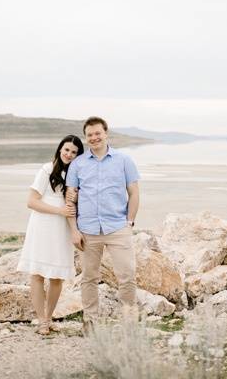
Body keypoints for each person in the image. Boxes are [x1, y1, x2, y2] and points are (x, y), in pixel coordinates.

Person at [65, 116, 140, 335]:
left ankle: (130, 323)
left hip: (118, 228)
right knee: (89, 277)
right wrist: (74, 230)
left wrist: (130, 221)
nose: (94, 138)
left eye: (98, 133)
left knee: (127, 276)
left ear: (106, 133)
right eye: (90, 135)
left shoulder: (124, 160)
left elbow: (134, 192)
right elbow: (70, 200)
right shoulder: (78, 164)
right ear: (86, 138)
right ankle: (90, 322)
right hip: (88, 231)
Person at [16, 135, 84, 335]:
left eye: (73, 152)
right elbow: (32, 201)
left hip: (62, 229)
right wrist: (59, 211)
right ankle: (41, 321)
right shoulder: (47, 170)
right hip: (42, 226)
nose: (69, 154)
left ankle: (49, 316)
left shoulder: (76, 174)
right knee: (37, 274)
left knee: (57, 276)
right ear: (59, 149)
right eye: (66, 150)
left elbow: (74, 204)